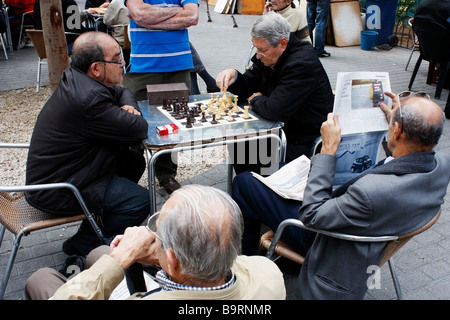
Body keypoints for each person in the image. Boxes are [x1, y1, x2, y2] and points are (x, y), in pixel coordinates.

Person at [233, 92, 450, 299]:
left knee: (244, 182)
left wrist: (328, 150)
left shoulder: (370, 192)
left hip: (326, 241)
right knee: (277, 169)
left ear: (399, 131)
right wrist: (393, 127)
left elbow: (312, 215)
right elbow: (401, 158)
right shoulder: (441, 165)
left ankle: (248, 260)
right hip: (372, 223)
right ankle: (261, 251)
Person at [25, 184, 286, 300]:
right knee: (100, 252)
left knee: (40, 279)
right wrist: (163, 258)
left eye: (158, 236)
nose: (153, 238)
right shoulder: (269, 274)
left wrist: (120, 257)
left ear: (172, 262)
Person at [25, 31, 151, 261]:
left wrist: (128, 108)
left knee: (132, 161)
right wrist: (131, 115)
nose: (123, 63)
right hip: (58, 189)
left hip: (68, 172)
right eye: (117, 59)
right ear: (96, 68)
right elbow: (139, 128)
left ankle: (89, 234)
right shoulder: (88, 99)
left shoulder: (79, 77)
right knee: (139, 201)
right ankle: (88, 248)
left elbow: (124, 91)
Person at [216, 12, 333, 175]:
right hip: (282, 129)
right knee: (239, 142)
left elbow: (275, 109)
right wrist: (234, 76)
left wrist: (256, 99)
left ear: (282, 43)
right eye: (255, 48)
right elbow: (250, 84)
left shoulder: (302, 63)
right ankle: (249, 191)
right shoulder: (271, 56)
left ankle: (258, 191)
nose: (257, 55)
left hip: (300, 139)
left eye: (262, 49)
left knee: (247, 149)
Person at [122, 0, 199, 194]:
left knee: (173, 123)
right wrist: (176, 12)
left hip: (178, 67)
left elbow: (192, 16)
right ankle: (126, 177)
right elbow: (138, 14)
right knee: (132, 122)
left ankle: (166, 175)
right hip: (142, 68)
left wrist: (150, 19)